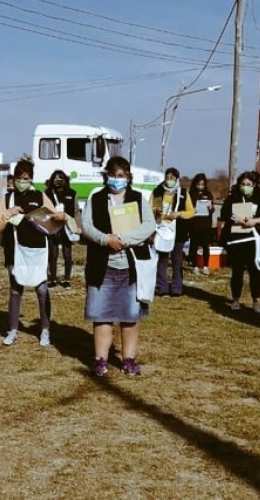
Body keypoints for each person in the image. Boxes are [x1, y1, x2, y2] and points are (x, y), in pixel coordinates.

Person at [81, 156, 156, 376]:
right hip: (101, 266)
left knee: (130, 316)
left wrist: (126, 240)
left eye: (121, 175)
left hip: (132, 268)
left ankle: (129, 359)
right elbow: (86, 225)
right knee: (102, 315)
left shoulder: (138, 198)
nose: (116, 179)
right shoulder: (96, 198)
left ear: (128, 177)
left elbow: (149, 225)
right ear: (106, 176)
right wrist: (106, 240)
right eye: (113, 175)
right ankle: (100, 360)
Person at [0, 158, 57, 346]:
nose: (22, 182)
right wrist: (8, 214)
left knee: (42, 290)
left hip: (38, 250)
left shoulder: (40, 196)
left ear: (32, 179)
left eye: (26, 178)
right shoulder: (7, 199)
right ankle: (13, 329)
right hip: (15, 250)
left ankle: (45, 330)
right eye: (19, 178)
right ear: (13, 180)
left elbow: (53, 221)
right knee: (15, 290)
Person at [218, 171, 260, 313]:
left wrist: (255, 220)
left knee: (254, 271)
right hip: (237, 239)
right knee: (237, 271)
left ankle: (256, 300)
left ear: (254, 185)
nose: (245, 187)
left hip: (254, 239)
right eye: (242, 184)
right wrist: (235, 219)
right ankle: (235, 299)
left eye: (248, 184)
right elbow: (224, 214)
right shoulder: (233, 197)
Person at [152, 167, 195, 297]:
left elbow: (191, 211)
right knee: (162, 259)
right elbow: (151, 208)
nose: (169, 180)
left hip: (179, 230)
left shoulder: (183, 192)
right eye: (167, 177)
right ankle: (162, 287)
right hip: (162, 229)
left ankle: (176, 288)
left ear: (177, 179)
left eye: (172, 178)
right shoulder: (158, 191)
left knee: (177, 259)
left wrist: (180, 214)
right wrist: (156, 211)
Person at [44, 170, 77, 288]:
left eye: (61, 179)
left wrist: (77, 227)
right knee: (52, 254)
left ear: (65, 180)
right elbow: (44, 210)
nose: (58, 181)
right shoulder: (47, 193)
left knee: (67, 254)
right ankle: (52, 279)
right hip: (52, 226)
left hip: (67, 226)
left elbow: (76, 211)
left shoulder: (72, 193)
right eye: (56, 179)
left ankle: (67, 279)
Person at [186, 173, 216, 275]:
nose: (200, 186)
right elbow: (187, 208)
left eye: (202, 184)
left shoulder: (208, 194)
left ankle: (206, 266)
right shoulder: (191, 194)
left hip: (206, 224)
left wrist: (211, 209)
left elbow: (212, 208)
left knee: (205, 246)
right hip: (194, 224)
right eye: (198, 184)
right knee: (194, 246)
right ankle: (194, 266)